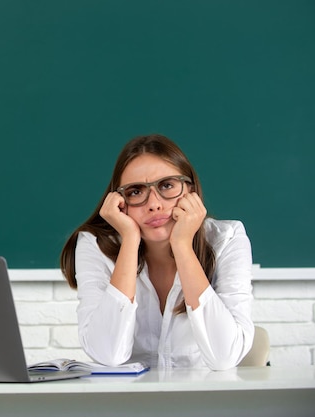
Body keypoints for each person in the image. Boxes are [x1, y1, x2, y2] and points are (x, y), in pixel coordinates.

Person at [60, 134, 254, 370]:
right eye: (135, 191)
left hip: (202, 399)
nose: (154, 204)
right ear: (119, 201)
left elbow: (224, 357)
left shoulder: (227, 239)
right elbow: (108, 355)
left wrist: (182, 245)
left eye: (167, 186)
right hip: (130, 402)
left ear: (190, 190)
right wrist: (130, 240)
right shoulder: (94, 245)